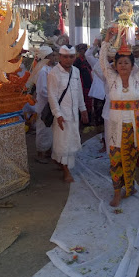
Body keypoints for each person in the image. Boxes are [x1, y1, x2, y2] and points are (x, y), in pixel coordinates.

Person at [99, 28, 139, 207]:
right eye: (119, 63)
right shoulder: (112, 79)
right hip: (115, 126)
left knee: (131, 158)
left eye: (126, 63)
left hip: (134, 126)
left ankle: (129, 186)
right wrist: (107, 39)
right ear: (116, 65)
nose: (122, 65)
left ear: (131, 65)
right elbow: (102, 63)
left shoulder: (138, 79)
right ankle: (117, 193)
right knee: (115, 159)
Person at [48, 45, 89, 182]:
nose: (68, 60)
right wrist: (58, 115)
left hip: (74, 114)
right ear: (60, 57)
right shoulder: (54, 73)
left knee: (71, 140)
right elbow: (52, 96)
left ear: (75, 57)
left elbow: (79, 92)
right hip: (62, 114)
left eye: (71, 57)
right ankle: (66, 171)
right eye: (65, 57)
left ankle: (61, 163)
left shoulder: (76, 71)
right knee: (63, 142)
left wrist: (83, 109)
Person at [35, 49, 58, 163]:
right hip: (44, 105)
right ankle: (40, 154)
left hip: (52, 104)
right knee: (43, 129)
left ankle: (49, 151)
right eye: (52, 55)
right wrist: (54, 96)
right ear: (46, 57)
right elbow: (42, 90)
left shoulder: (53, 69)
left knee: (51, 130)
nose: (55, 57)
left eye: (55, 55)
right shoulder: (43, 71)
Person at [74, 43, 93, 123]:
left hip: (88, 83)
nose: (85, 52)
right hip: (82, 84)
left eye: (86, 50)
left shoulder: (88, 60)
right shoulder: (77, 61)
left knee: (89, 101)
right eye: (83, 50)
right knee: (83, 101)